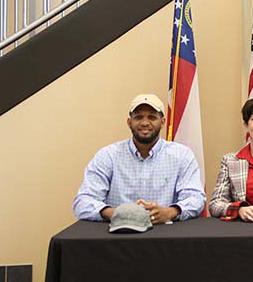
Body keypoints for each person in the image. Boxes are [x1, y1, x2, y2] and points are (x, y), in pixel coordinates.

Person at [73, 93, 206, 224]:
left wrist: (169, 213)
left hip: (165, 234)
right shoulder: (108, 155)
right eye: (138, 117)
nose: (144, 123)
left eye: (152, 117)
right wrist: (115, 214)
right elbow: (83, 201)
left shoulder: (182, 155)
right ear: (129, 122)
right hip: (119, 235)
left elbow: (196, 198)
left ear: (163, 122)